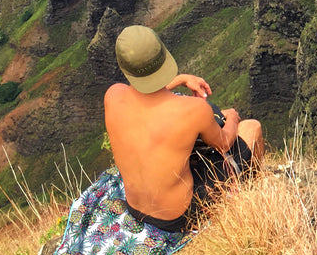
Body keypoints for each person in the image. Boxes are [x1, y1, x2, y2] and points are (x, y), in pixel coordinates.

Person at [104, 24, 264, 233]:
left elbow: (144, 97)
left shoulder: (113, 95)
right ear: (162, 56)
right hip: (179, 218)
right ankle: (254, 193)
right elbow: (225, 142)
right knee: (252, 128)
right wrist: (232, 118)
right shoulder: (194, 110)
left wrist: (179, 80)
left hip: (135, 208)